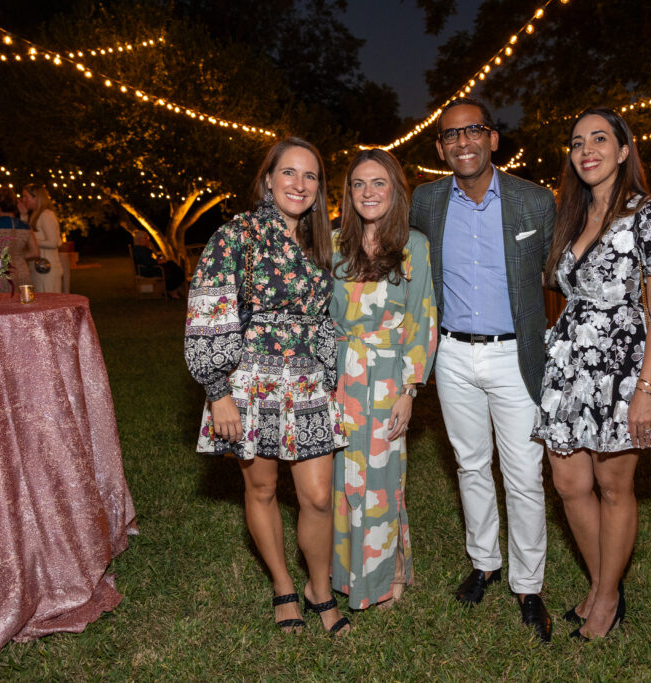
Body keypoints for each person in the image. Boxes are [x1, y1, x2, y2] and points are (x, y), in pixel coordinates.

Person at [532, 108, 651, 641]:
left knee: (612, 482)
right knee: (568, 481)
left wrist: (645, 391)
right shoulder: (571, 216)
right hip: (570, 363)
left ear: (624, 150)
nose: (587, 150)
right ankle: (606, 581)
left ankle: (604, 600)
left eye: (600, 139)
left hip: (624, 366)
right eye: (578, 141)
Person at [184, 138, 350, 637]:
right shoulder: (238, 235)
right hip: (249, 380)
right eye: (289, 174)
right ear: (269, 180)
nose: (300, 185)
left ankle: (319, 587)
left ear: (319, 189)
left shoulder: (320, 241)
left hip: (306, 381)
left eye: (311, 176)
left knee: (318, 496)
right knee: (261, 487)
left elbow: (322, 319)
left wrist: (328, 373)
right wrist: (218, 392)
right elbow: (208, 308)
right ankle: (282, 585)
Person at [409, 97, 556, 642]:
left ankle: (529, 583)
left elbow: (562, 274)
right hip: (450, 353)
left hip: (515, 353)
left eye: (473, 132)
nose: (463, 142)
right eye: (451, 135)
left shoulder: (533, 201)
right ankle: (484, 561)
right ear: (441, 147)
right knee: (470, 465)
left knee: (523, 473)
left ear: (493, 139)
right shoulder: (425, 201)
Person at [329, 149, 438, 610]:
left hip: (390, 377)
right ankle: (348, 575)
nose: (368, 193)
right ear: (348, 193)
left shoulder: (414, 245)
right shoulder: (332, 244)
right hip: (338, 376)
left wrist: (410, 390)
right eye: (359, 184)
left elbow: (422, 316)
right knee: (343, 479)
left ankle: (385, 573)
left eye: (379, 183)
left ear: (395, 191)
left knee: (383, 477)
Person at [0, 186, 39, 290]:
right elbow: (35, 252)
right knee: (23, 303)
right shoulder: (26, 226)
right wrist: (16, 256)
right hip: (22, 272)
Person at [22, 184, 65, 293]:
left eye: (26, 196)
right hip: (39, 269)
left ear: (36, 197)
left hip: (48, 270)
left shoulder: (46, 215)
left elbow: (53, 242)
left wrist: (33, 242)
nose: (23, 200)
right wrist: (23, 215)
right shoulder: (35, 214)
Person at [131, 229, 185, 299]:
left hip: (146, 269)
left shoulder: (140, 249)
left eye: (148, 238)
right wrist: (159, 261)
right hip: (147, 271)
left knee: (171, 265)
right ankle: (171, 291)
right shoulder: (140, 250)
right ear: (139, 240)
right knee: (172, 268)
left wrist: (158, 260)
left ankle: (171, 290)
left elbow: (147, 260)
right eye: (146, 238)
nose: (148, 240)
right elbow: (148, 262)